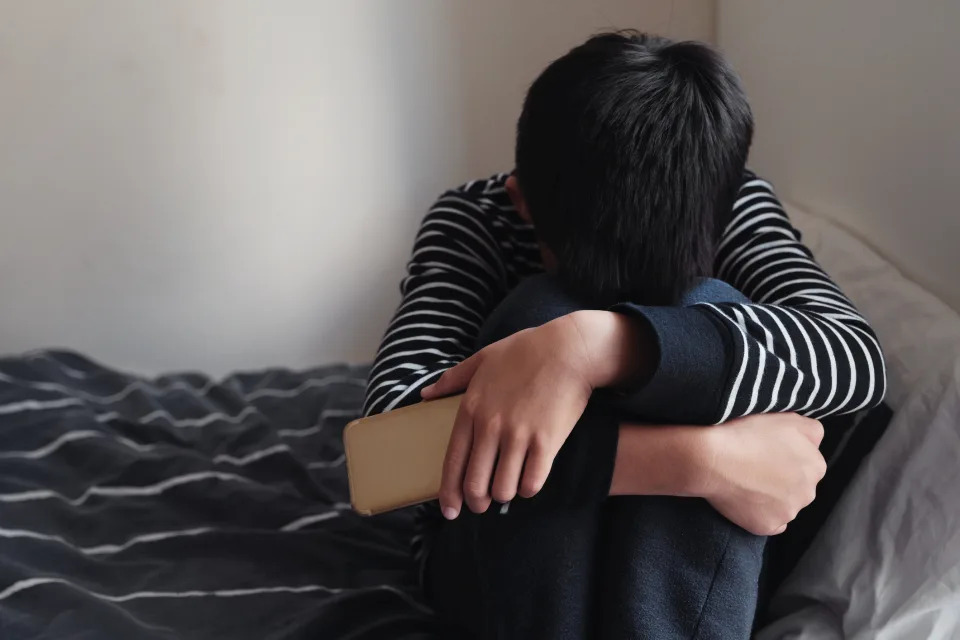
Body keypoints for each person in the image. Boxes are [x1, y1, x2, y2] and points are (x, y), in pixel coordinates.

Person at [364, 32, 886, 639]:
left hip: (686, 583)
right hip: (499, 572)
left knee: (705, 308)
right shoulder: (476, 220)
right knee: (544, 306)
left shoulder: (730, 199)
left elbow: (855, 358)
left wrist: (595, 347)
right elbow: (382, 454)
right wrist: (701, 463)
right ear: (520, 200)